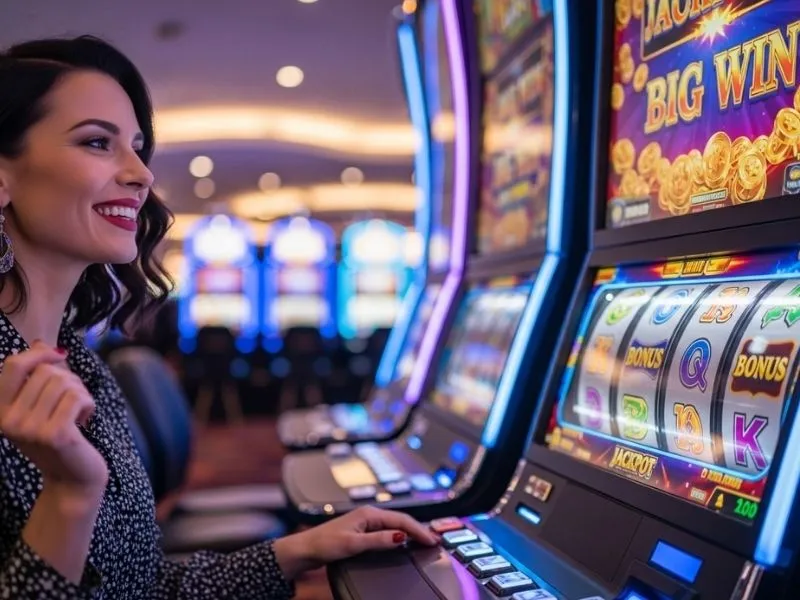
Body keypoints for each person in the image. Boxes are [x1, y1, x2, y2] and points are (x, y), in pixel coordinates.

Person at [0, 35, 438, 599]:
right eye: (96, 142)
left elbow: (142, 588)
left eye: (137, 147)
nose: (142, 174)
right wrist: (70, 495)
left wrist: (302, 547)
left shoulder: (78, 363)